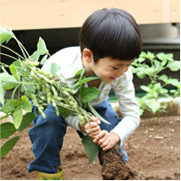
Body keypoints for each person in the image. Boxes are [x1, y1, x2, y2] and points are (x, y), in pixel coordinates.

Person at [28, 8, 142, 180]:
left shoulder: (121, 72)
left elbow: (132, 115)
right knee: (49, 121)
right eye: (116, 67)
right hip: (53, 101)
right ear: (88, 56)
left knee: (109, 124)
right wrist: (81, 124)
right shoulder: (65, 72)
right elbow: (65, 111)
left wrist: (114, 136)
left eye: (128, 64)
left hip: (93, 103)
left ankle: (117, 171)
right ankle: (48, 172)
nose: (123, 71)